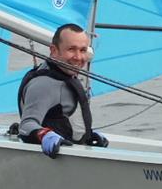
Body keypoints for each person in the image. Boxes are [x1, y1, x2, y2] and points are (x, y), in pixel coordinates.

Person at [17, 23, 108, 158]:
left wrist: (87, 135)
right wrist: (44, 135)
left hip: (72, 152)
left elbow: (64, 118)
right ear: (54, 51)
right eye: (71, 49)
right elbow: (26, 125)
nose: (78, 57)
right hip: (53, 160)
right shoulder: (43, 85)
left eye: (83, 50)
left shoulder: (66, 75)